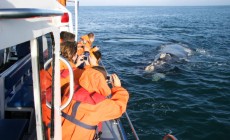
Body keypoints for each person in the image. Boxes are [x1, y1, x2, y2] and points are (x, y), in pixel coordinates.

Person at [61, 73, 129, 140]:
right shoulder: (99, 104)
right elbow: (120, 107)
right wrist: (118, 88)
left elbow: (89, 75)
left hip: (59, 134)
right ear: (102, 84)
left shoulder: (69, 90)